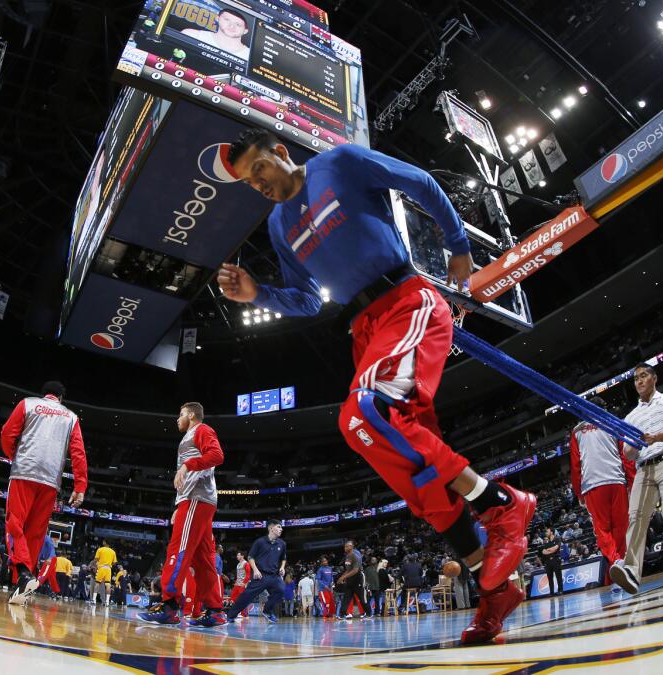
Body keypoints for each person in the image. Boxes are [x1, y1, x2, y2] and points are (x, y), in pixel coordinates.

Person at [218, 127, 535, 645]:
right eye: (251, 185)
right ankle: (494, 592)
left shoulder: (338, 164)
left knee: (363, 410)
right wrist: (260, 294)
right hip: (365, 328)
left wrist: (457, 243)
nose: (261, 186)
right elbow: (306, 300)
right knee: (417, 471)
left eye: (259, 172)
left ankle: (501, 503)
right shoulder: (279, 226)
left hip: (408, 300)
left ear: (280, 153)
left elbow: (421, 182)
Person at [138, 402, 226, 626]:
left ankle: (169, 606)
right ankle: (215, 611)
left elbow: (217, 455)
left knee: (178, 548)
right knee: (204, 558)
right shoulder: (189, 437)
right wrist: (179, 505)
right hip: (194, 500)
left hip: (197, 499)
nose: (177, 419)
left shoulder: (202, 430)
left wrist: (187, 466)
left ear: (192, 415)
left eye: (181, 414)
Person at [0, 381, 87, 605]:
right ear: (61, 398)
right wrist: (80, 487)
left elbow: (7, 433)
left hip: (24, 472)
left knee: (15, 524)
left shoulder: (28, 404)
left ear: (43, 394)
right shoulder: (71, 417)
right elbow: (78, 453)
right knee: (36, 534)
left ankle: (23, 573)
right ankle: (22, 584)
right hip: (50, 481)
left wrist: (13, 456)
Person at [611, 363, 663, 594]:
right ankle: (631, 573)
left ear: (654, 378)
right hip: (643, 468)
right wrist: (633, 447)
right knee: (635, 517)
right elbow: (628, 452)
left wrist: (654, 438)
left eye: (643, 376)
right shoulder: (631, 416)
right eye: (636, 378)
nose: (639, 381)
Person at [569, 396, 635, 579]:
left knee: (602, 530)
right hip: (616, 481)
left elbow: (575, 466)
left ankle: (615, 562)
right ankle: (619, 567)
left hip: (593, 486)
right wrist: (632, 481)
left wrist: (578, 493)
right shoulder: (613, 423)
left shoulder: (576, 431)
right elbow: (625, 456)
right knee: (620, 528)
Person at [220, 520, 287, 624]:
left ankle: (267, 611)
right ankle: (230, 616)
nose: (281, 529)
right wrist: (255, 570)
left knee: (281, 590)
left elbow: (283, 558)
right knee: (246, 596)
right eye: (278, 527)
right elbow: (251, 557)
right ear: (271, 528)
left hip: (274, 576)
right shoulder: (260, 542)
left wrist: (282, 567)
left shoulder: (282, 544)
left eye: (281, 527)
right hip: (260, 575)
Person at [179, 7, 251, 61]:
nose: (232, 26)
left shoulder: (249, 57)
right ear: (217, 18)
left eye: (238, 24)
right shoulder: (192, 35)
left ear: (245, 31)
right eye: (227, 20)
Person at [335, 541, 370, 619]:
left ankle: (368, 613)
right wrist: (342, 577)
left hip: (358, 577)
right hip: (350, 578)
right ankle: (342, 614)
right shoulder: (347, 556)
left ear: (351, 547)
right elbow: (348, 569)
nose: (345, 548)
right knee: (346, 597)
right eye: (345, 546)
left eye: (347, 546)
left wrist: (343, 577)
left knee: (362, 597)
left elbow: (355, 570)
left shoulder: (355, 556)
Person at [93, 539, 117, 605]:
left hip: (101, 568)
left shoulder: (100, 549)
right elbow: (115, 563)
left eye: (103, 541)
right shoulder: (113, 552)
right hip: (108, 569)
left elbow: (96, 559)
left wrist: (95, 566)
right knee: (108, 585)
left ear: (105, 542)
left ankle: (94, 600)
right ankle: (107, 602)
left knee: (97, 583)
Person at [229, 551, 252, 617]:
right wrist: (236, 582)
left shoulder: (246, 564)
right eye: (237, 555)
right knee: (232, 597)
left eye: (238, 555)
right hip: (237, 584)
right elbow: (238, 575)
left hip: (242, 584)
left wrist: (244, 583)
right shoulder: (238, 564)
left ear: (242, 556)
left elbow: (248, 575)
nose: (237, 556)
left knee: (242, 599)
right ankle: (235, 612)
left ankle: (244, 614)